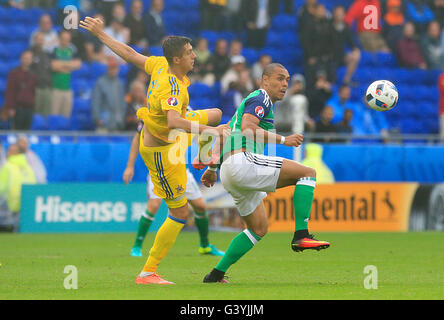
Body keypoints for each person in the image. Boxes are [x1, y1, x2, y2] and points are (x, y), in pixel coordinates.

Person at [80, 16, 229, 285]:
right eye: (188, 53)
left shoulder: (159, 64)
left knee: (217, 113)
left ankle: (206, 160)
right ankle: (148, 272)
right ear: (176, 60)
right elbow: (174, 122)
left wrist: (101, 35)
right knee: (180, 213)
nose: (194, 56)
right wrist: (212, 132)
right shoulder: (171, 85)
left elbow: (129, 53)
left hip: (171, 137)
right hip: (161, 152)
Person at [201, 63, 330, 283]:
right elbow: (249, 129)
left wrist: (212, 168)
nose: (285, 84)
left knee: (258, 229)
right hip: (243, 162)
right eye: (280, 79)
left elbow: (223, 133)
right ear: (265, 80)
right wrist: (284, 140)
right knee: (307, 173)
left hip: (230, 170)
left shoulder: (247, 104)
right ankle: (301, 235)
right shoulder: (261, 98)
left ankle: (215, 274)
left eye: (287, 80)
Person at [123, 108, 225, 257]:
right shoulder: (157, 118)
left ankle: (205, 245)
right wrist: (130, 166)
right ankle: (137, 246)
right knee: (154, 205)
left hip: (180, 169)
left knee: (200, 206)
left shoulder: (187, 114)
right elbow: (137, 139)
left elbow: (206, 128)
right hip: (160, 169)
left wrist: (204, 152)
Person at [50, 30, 82, 118]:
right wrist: (69, 66)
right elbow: (53, 66)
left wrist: (61, 64)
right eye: (63, 39)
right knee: (54, 116)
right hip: (55, 88)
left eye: (68, 39)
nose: (66, 41)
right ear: (59, 39)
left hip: (68, 89)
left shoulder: (72, 50)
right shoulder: (54, 50)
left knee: (66, 117)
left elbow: (78, 64)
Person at [91, 56, 127, 131]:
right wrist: (97, 118)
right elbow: (96, 101)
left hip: (118, 122)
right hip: (104, 122)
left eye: (115, 68)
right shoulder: (101, 82)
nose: (114, 70)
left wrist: (123, 117)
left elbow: (122, 102)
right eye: (111, 68)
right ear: (108, 69)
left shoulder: (119, 83)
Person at [0, 144, 36, 217]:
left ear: (15, 153)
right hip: (27, 207)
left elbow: (1, 188)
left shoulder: (8, 167)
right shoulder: (29, 168)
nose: (7, 153)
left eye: (9, 151)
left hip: (11, 207)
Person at [4, 51, 37, 130]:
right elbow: (10, 91)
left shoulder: (33, 75)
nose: (27, 60)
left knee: (26, 133)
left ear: (31, 60)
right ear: (21, 59)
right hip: (17, 109)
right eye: (25, 58)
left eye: (29, 58)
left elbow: (33, 92)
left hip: (29, 109)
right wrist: (11, 107)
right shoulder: (14, 73)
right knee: (16, 132)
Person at [331, 5, 361, 85]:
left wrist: (355, 49)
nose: (339, 16)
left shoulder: (346, 27)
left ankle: (346, 80)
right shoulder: (328, 26)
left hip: (341, 56)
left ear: (344, 15)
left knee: (356, 55)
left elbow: (351, 43)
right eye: (337, 13)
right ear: (334, 14)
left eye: (341, 14)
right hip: (330, 56)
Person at [30, 32, 53, 117]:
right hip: (35, 88)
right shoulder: (30, 53)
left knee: (46, 114)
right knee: (35, 114)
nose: (40, 41)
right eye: (38, 39)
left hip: (46, 88)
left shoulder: (46, 54)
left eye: (41, 39)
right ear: (34, 40)